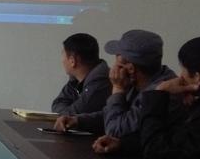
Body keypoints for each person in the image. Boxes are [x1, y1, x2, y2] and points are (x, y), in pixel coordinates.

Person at [91, 36, 200, 159]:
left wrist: (158, 94)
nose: (180, 76)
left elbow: (158, 151)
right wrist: (123, 144)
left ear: (197, 77)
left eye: (183, 69)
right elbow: (174, 138)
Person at [55, 29, 184, 136]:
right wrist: (78, 121)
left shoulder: (161, 93)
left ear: (130, 68)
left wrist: (117, 89)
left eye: (117, 57)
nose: (113, 65)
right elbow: (113, 115)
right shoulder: (138, 83)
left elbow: (115, 130)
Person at [51, 33, 111, 115]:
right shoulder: (75, 80)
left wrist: (64, 113)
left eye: (63, 55)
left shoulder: (100, 83)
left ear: (72, 61)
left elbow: (72, 115)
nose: (62, 60)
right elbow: (57, 104)